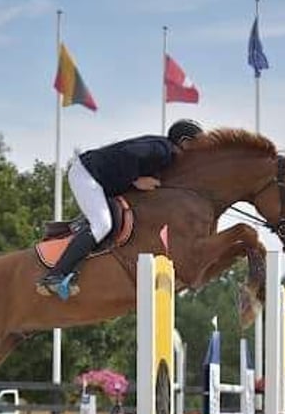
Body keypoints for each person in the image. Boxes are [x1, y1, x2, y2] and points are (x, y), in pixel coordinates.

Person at [36, 118, 204, 299]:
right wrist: (135, 180)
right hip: (87, 175)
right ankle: (55, 274)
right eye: (200, 145)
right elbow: (130, 153)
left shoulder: (167, 154)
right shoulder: (163, 150)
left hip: (101, 181)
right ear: (185, 142)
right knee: (102, 224)